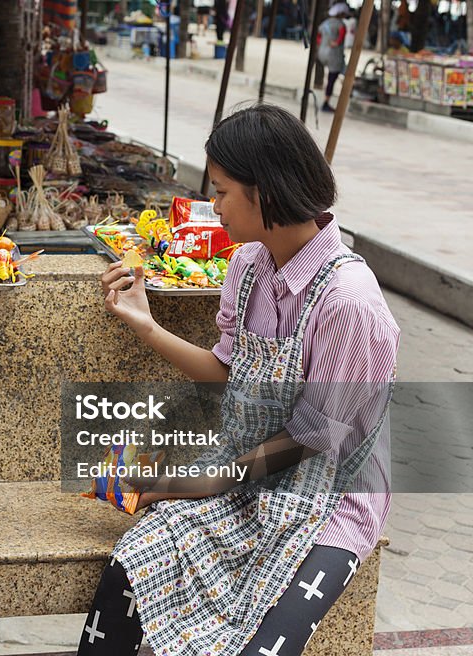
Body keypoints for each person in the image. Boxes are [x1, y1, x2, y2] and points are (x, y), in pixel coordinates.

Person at [80, 104, 397, 656]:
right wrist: (145, 324)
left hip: (325, 508)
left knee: (258, 648)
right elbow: (227, 372)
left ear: (266, 193)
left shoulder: (350, 302)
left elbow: (313, 438)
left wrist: (189, 483)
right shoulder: (249, 265)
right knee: (126, 572)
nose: (213, 206)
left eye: (223, 191)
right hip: (244, 482)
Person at [317, 3, 349, 112]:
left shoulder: (324, 23)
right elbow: (340, 38)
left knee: (332, 76)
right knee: (333, 77)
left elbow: (318, 36)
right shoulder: (341, 25)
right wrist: (335, 43)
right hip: (334, 55)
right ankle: (326, 101)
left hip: (322, 53)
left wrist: (323, 43)